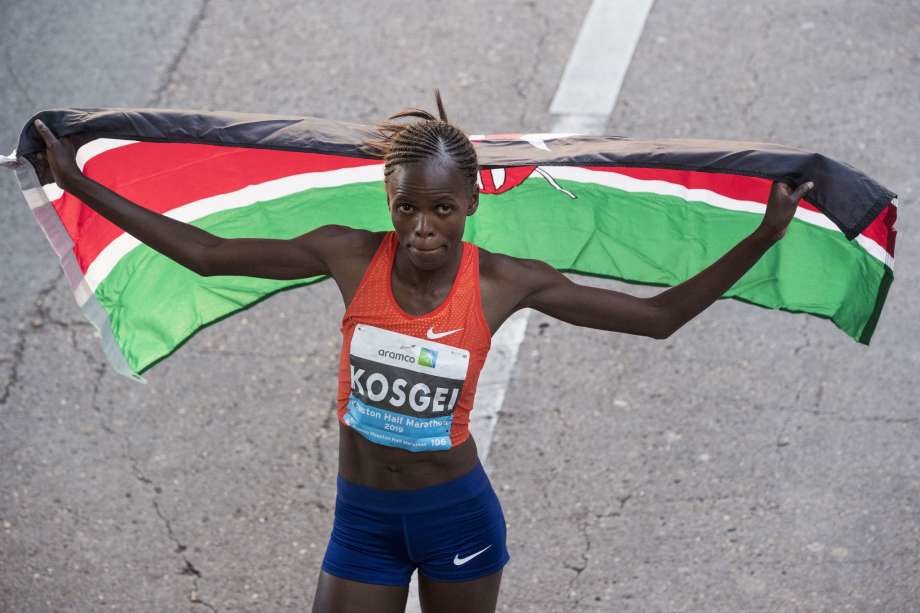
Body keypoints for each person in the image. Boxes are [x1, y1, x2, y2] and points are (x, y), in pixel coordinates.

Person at [33, 93, 812, 613]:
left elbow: (656, 317)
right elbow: (206, 254)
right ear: (389, 198)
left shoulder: (504, 281)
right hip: (363, 516)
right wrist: (75, 183)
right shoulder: (348, 254)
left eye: (442, 208)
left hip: (455, 517)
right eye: (407, 206)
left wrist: (767, 233)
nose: (422, 227)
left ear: (472, 201)